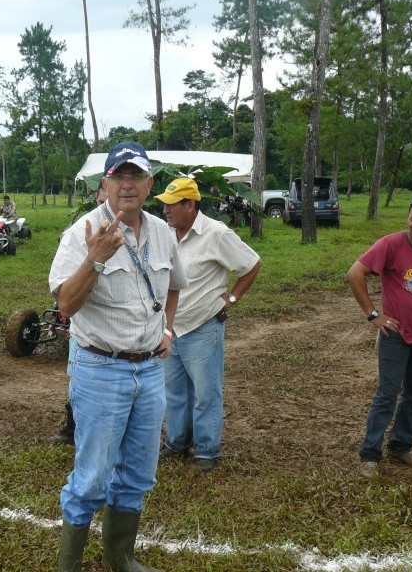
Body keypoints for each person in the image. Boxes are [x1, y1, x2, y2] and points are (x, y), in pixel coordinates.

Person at [50, 141, 187, 572]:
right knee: (92, 477)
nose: (127, 184)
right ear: (104, 183)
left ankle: (120, 558)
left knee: (138, 474)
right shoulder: (82, 234)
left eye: (136, 177)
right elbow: (66, 306)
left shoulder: (163, 232)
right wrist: (94, 260)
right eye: (118, 176)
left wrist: (167, 328)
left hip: (149, 370)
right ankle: (68, 565)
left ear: (149, 184)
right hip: (100, 368)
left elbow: (174, 285)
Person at [155, 178, 262, 472]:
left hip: (202, 326)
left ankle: (206, 449)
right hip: (169, 328)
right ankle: (177, 442)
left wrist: (232, 297)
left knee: (205, 392)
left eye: (171, 204)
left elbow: (252, 263)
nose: (165, 210)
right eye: (164, 204)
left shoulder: (216, 233)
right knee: (174, 391)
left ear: (191, 205)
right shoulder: (166, 234)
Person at [347, 195, 412, 479]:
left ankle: (401, 445)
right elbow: (355, 273)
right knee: (387, 393)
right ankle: (370, 454)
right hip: (395, 334)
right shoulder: (390, 244)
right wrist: (373, 315)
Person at [51, 184, 108, 447]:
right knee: (76, 373)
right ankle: (73, 425)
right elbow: (63, 280)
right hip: (82, 322)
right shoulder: (79, 233)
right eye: (101, 199)